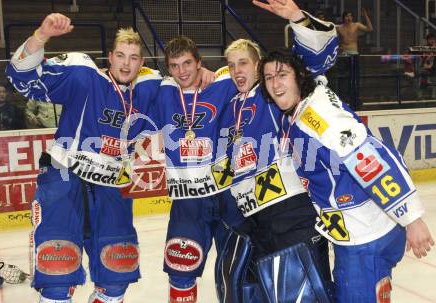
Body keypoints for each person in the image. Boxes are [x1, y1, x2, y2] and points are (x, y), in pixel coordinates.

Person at [6, 13, 162, 303]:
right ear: (110, 57)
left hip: (112, 185)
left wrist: (206, 74)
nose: (126, 63)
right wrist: (42, 35)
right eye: (120, 55)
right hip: (65, 178)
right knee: (57, 269)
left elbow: (187, 90)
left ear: (142, 63)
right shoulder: (84, 75)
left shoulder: (149, 89)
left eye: (133, 57)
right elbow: (22, 75)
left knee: (118, 270)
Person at [259, 48, 435, 303]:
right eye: (268, 78)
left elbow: (370, 158)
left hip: (365, 236)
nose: (275, 84)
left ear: (298, 75)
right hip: (358, 232)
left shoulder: (316, 116)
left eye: (282, 75)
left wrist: (411, 218)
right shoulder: (306, 102)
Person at [215, 1, 338, 301]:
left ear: (258, 66)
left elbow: (312, 62)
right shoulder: (232, 108)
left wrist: (297, 18)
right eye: (231, 65)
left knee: (308, 294)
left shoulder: (272, 94)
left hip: (291, 214)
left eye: (243, 63)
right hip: (256, 223)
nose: (236, 70)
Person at [153, 35, 245, 303]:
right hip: (187, 201)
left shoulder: (222, 84)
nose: (182, 71)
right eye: (174, 65)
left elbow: (249, 67)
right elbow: (135, 77)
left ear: (199, 62)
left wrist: (217, 71)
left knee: (238, 268)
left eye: (187, 63)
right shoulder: (164, 91)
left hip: (228, 195)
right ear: (168, 69)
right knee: (181, 270)